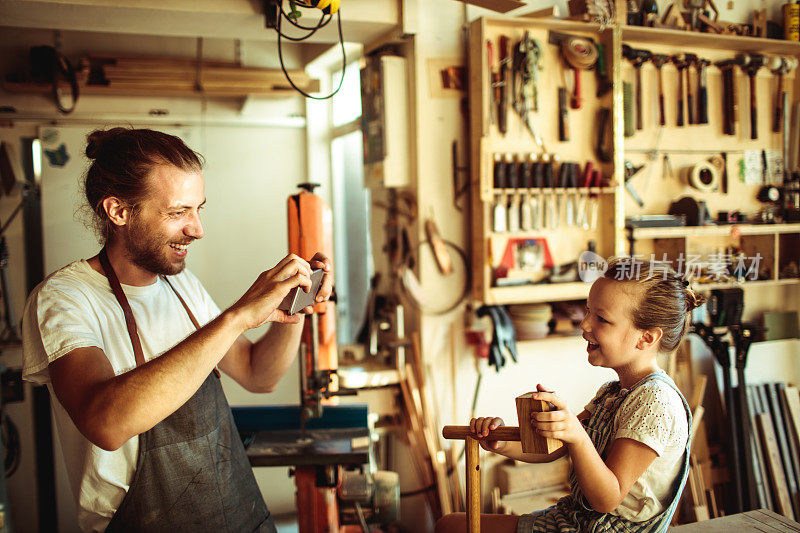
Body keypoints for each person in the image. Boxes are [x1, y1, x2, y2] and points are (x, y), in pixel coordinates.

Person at [21, 127, 333, 532]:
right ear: (118, 211)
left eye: (198, 208)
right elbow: (106, 423)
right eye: (177, 212)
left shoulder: (180, 284)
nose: (197, 228)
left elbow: (260, 374)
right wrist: (237, 315)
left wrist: (294, 304)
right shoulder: (65, 298)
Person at [436, 258, 705, 532]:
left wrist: (576, 435)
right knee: (449, 525)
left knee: (451, 528)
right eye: (588, 311)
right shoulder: (612, 393)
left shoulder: (655, 402)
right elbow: (554, 447)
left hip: (604, 528)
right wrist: (501, 442)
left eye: (602, 318)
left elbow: (606, 499)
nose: (585, 324)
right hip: (576, 521)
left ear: (646, 338)